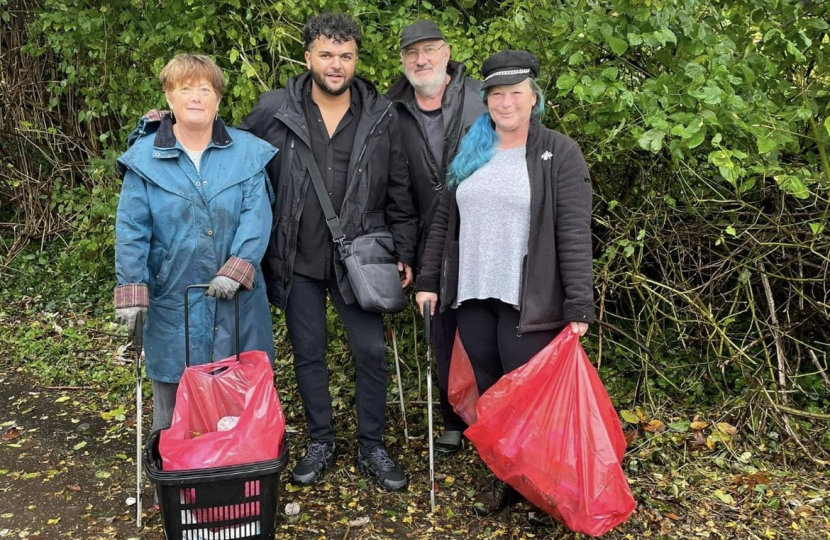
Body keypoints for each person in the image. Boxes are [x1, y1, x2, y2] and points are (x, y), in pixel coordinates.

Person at [239, 13, 417, 492]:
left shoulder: (381, 116)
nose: (336, 65)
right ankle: (321, 440)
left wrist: (405, 249)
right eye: (326, 55)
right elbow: (230, 151)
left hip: (360, 260)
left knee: (371, 352)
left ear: (356, 59)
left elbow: (399, 188)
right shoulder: (274, 111)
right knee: (308, 353)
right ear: (307, 58)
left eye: (345, 56)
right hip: (296, 257)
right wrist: (167, 127)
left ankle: (372, 444)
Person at [415, 50, 594, 515]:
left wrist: (579, 305)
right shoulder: (471, 151)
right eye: (497, 94)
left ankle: (542, 488)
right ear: (487, 100)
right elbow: (442, 225)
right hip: (473, 294)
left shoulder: (559, 152)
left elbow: (574, 232)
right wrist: (429, 280)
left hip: (528, 300)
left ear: (534, 98)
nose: (506, 102)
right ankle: (507, 479)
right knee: (493, 393)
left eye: (516, 93)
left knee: (530, 397)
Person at [114, 54, 277, 434]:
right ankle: (173, 487)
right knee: (173, 400)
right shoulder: (143, 161)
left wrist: (238, 268)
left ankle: (238, 485)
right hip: (174, 299)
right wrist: (132, 290)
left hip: (238, 300)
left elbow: (258, 216)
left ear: (218, 99)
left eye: (205, 88)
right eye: (185, 88)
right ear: (169, 98)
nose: (196, 97)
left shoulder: (247, 153)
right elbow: (132, 229)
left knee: (239, 393)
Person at [385, 20, 486, 455]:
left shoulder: (483, 98)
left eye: (428, 50)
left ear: (446, 52)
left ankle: (492, 418)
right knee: (440, 332)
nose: (420, 60)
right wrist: (404, 251)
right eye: (411, 53)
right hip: (429, 237)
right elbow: (394, 188)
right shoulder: (389, 109)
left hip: (484, 234)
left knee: (487, 329)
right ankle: (452, 418)